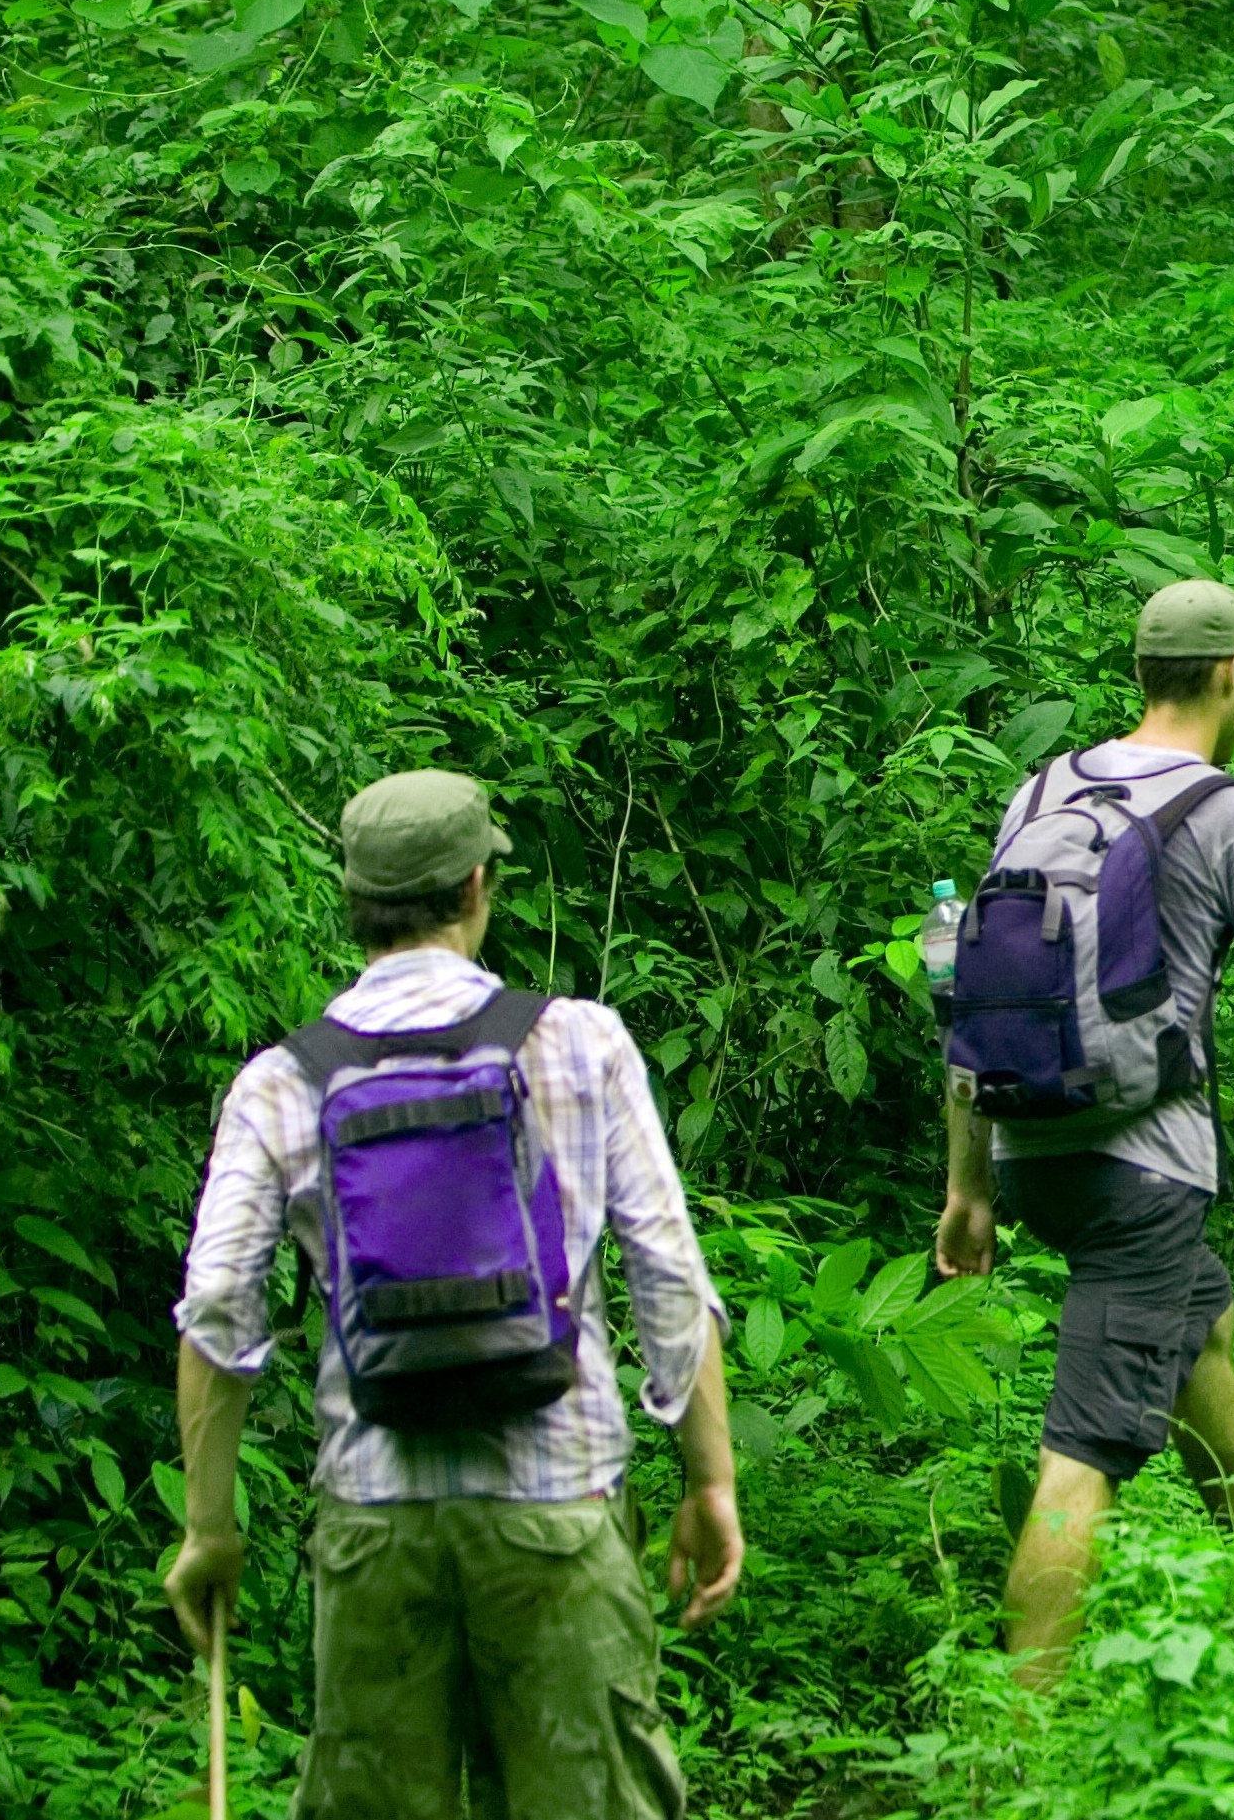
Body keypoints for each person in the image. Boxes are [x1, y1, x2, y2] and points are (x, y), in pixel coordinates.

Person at [167, 769, 742, 1820]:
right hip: (557, 1506)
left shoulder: (281, 1080)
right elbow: (668, 1272)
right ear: (479, 883)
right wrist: (710, 1481)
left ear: (354, 900)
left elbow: (217, 1315)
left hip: (376, 1518)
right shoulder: (579, 1039)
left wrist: (210, 1525)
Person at [931, 578, 1234, 1692]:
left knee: (1204, 1327)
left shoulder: (1038, 788)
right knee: (1083, 1454)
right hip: (1142, 1166)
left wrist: (972, 1184)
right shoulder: (1233, 811)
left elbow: (976, 988)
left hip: (1026, 1145)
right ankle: (1019, 1743)